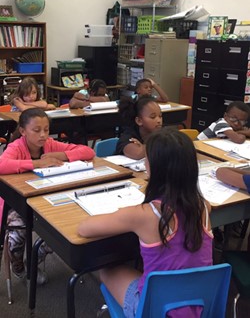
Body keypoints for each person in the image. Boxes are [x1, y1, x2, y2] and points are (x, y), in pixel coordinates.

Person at [78, 128, 213, 317]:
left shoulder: (145, 214)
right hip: (200, 305)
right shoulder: (204, 207)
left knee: (107, 270)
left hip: (156, 310)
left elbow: (84, 228)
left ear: (153, 167)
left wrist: (124, 213)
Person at [0, 108, 95, 283]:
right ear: (23, 131)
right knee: (18, 231)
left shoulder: (50, 145)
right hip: (17, 202)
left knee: (63, 226)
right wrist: (37, 163)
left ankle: (35, 261)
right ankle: (18, 266)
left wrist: (60, 155)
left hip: (46, 198)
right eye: (36, 130)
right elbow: (2, 164)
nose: (43, 135)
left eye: (46, 130)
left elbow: (89, 152)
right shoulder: (16, 147)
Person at [115, 96, 162, 160]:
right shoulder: (128, 137)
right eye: (153, 117)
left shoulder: (161, 133)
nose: (159, 120)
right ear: (139, 121)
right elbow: (138, 154)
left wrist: (143, 147)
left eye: (160, 116)